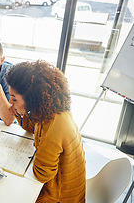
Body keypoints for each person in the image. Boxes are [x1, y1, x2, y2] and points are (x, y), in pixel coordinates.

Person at [5, 60, 86, 203]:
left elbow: (41, 174)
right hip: (58, 184)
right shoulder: (50, 111)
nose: (11, 102)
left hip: (59, 196)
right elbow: (32, 128)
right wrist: (19, 113)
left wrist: (37, 153)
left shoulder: (55, 125)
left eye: (14, 98)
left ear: (31, 99)